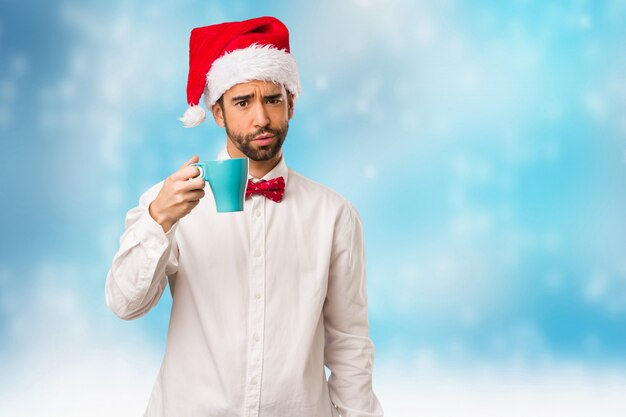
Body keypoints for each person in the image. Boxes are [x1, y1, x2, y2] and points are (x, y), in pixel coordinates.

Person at [105, 16, 383, 417]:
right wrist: (158, 220)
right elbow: (124, 303)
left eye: (272, 100)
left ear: (291, 104)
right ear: (217, 113)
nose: (261, 119)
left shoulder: (334, 215)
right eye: (242, 102)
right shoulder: (170, 201)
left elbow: (350, 343)